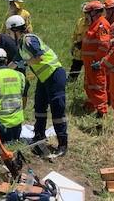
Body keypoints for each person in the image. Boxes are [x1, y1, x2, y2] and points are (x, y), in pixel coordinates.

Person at [6, 15, 68, 157]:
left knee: (57, 109)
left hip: (54, 75)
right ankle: (38, 136)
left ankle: (63, 144)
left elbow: (39, 56)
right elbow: (14, 64)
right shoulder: (21, 46)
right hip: (44, 78)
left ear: (15, 30)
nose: (9, 35)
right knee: (39, 107)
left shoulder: (29, 40)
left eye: (9, 32)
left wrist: (27, 63)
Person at [81, 0, 111, 117]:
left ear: (94, 13)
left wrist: (97, 60)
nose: (86, 16)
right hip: (90, 63)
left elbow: (104, 45)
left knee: (98, 86)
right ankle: (92, 105)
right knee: (89, 85)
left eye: (88, 13)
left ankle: (101, 111)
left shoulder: (101, 25)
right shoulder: (95, 24)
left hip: (95, 64)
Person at [69, 2, 89, 82]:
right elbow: (75, 35)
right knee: (74, 68)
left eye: (87, 12)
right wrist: (73, 46)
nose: (86, 14)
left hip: (88, 53)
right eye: (84, 12)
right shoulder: (80, 21)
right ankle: (71, 82)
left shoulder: (95, 23)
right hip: (78, 52)